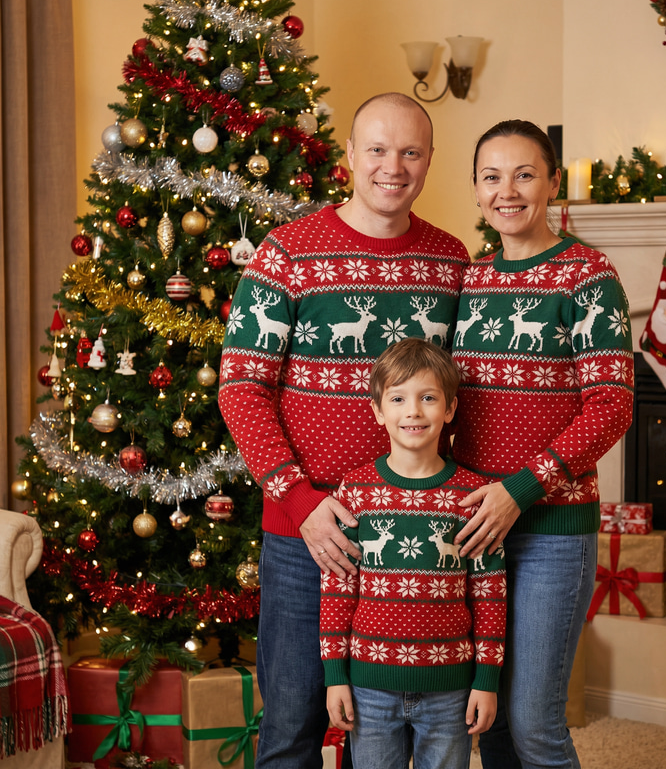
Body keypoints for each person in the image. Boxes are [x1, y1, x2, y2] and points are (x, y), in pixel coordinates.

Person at [218, 93, 470, 768]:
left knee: (391, 732)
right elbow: (241, 388)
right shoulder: (287, 254)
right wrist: (298, 502)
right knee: (295, 725)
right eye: (379, 150)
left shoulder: (451, 262)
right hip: (310, 534)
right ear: (352, 157)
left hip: (417, 537)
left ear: (428, 161)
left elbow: (464, 395)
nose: (394, 166)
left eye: (411, 152)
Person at [450, 120, 634, 769]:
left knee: (534, 724)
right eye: (492, 177)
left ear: (553, 183)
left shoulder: (587, 275)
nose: (508, 191)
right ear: (475, 190)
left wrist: (520, 490)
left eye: (525, 174)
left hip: (552, 529)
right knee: (489, 721)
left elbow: (611, 406)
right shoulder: (469, 282)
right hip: (476, 527)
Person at [321, 338, 506, 769]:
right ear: (377, 410)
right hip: (370, 685)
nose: (414, 411)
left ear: (450, 409)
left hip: (450, 689)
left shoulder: (472, 499)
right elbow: (337, 589)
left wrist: (486, 679)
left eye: (428, 398)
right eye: (399, 398)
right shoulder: (356, 491)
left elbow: (490, 597)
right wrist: (336, 677)